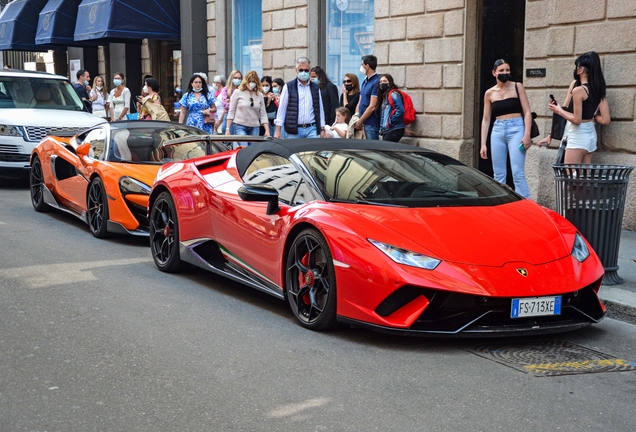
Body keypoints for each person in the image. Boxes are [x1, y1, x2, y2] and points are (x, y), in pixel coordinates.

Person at [479, 59, 532, 198]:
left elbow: (527, 112)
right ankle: (501, 207)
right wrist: (483, 144)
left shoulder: (517, 87)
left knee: (517, 173)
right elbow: (486, 119)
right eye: (501, 70)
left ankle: (526, 207)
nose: (505, 73)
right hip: (497, 130)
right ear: (494, 73)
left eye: (507, 70)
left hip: (517, 128)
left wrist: (527, 135)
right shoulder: (489, 93)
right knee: (498, 174)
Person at [548, 51, 610, 164]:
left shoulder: (578, 90)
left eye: (576, 67)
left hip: (578, 136)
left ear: (580, 70)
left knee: (572, 178)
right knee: (583, 179)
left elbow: (577, 120)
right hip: (591, 136)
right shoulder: (599, 89)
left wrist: (559, 110)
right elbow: (606, 120)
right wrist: (592, 115)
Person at [274, 57, 326, 139]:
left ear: (309, 71)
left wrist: (322, 128)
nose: (303, 72)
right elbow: (282, 109)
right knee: (293, 152)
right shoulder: (288, 87)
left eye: (306, 70)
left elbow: (320, 109)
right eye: (301, 70)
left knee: (312, 152)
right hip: (294, 130)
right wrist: (278, 131)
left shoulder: (315, 88)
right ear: (296, 70)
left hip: (312, 129)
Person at [226, 70, 270, 147]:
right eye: (249, 81)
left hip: (255, 127)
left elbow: (263, 114)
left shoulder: (259, 95)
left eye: (253, 81)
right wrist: (227, 129)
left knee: (252, 151)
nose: (251, 83)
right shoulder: (237, 92)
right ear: (245, 81)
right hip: (240, 125)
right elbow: (231, 111)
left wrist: (267, 129)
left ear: (256, 83)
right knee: (244, 148)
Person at [355, 55, 380, 140]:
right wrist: (356, 117)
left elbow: (372, 106)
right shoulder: (365, 81)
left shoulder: (376, 81)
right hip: (363, 123)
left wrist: (360, 121)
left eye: (362, 64)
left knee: (373, 150)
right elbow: (360, 101)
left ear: (367, 66)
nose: (361, 67)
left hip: (371, 124)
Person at [377, 74, 406, 142]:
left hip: (394, 128)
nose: (382, 83)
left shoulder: (393, 94)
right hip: (387, 130)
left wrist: (390, 121)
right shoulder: (385, 96)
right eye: (380, 82)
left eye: (384, 81)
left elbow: (400, 110)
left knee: (386, 149)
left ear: (390, 82)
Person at [224, 70, 243, 134]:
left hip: (240, 116)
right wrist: (237, 103)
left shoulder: (243, 90)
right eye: (235, 78)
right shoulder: (225, 90)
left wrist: (231, 101)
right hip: (228, 115)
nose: (237, 80)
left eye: (239, 78)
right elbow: (225, 105)